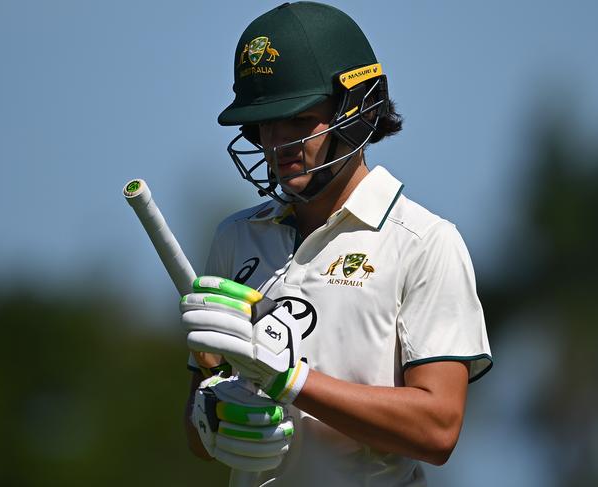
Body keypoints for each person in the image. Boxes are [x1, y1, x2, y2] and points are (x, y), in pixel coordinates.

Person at [180, 2, 492, 486]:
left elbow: (439, 428)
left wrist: (292, 380)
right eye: (263, 125)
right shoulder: (234, 239)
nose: (275, 144)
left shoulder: (424, 242)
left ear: (355, 108)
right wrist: (211, 413)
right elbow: (199, 443)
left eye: (297, 121)